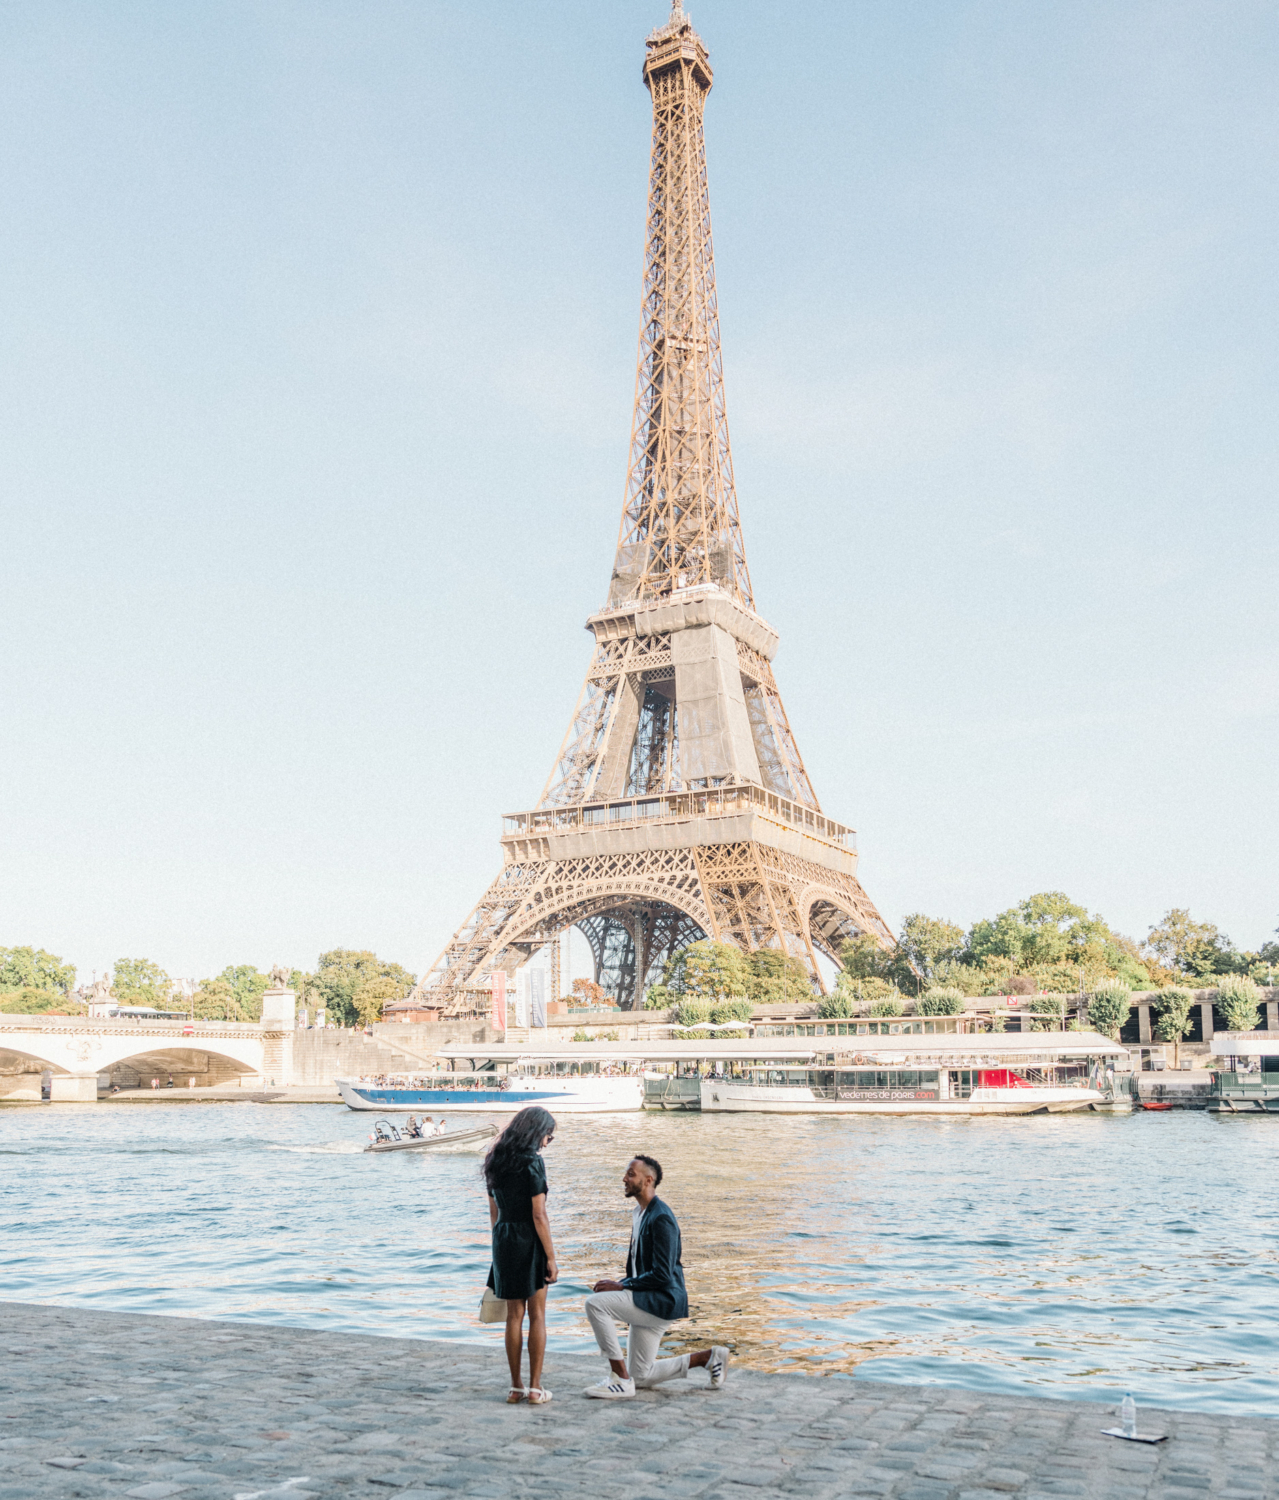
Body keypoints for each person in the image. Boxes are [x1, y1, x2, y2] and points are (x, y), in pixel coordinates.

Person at [582, 1155, 728, 1400]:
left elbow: (662, 1274)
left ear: (648, 1180)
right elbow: (638, 1269)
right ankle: (707, 1358)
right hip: (645, 1296)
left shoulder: (661, 1218)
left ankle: (619, 1378)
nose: (624, 1178)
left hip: (660, 1299)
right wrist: (624, 1284)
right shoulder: (639, 1213)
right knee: (642, 1376)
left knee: (594, 1305)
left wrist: (621, 1285)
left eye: (631, 1174)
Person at [483, 1105, 559, 1405]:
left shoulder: (494, 1159)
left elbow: (493, 1211)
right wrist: (551, 1258)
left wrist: (499, 1244)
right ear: (537, 1133)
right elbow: (539, 1215)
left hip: (503, 1237)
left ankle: (515, 1387)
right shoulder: (533, 1162)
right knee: (537, 1314)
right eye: (548, 1137)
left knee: (514, 1315)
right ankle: (536, 1388)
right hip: (529, 1237)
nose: (546, 1143)